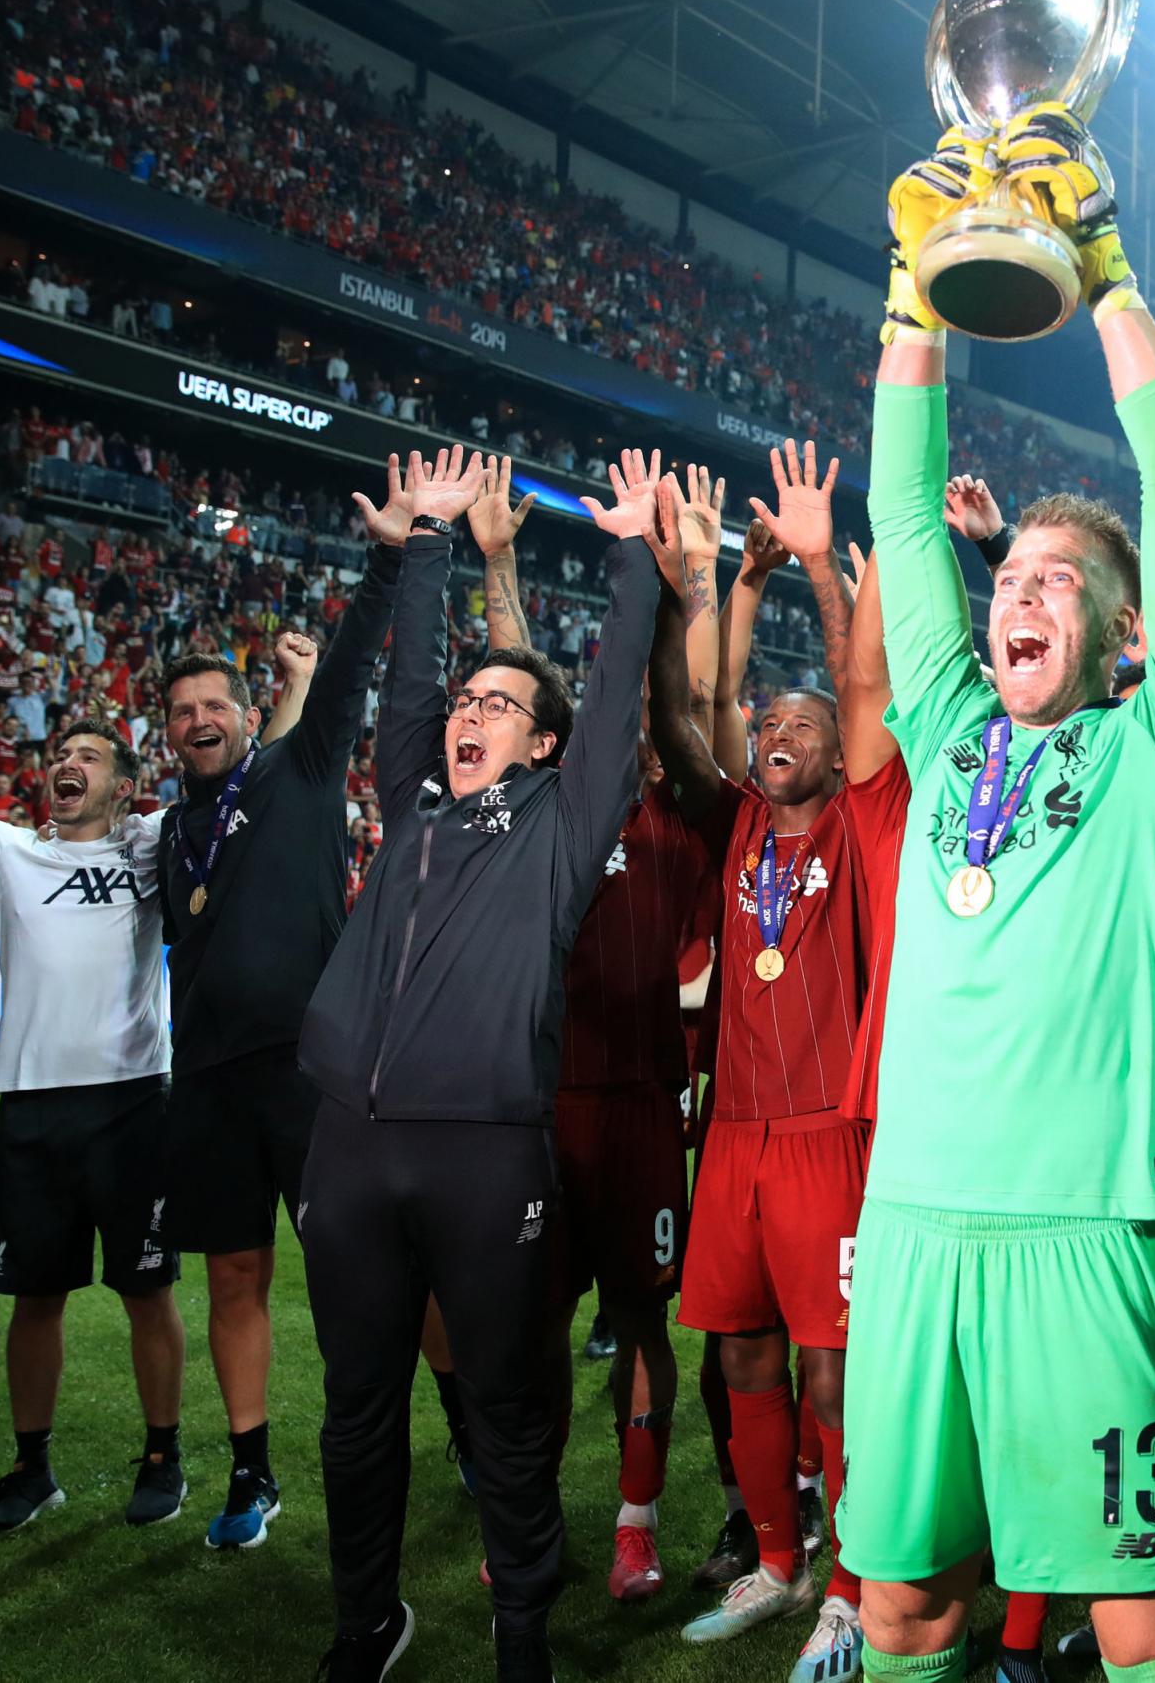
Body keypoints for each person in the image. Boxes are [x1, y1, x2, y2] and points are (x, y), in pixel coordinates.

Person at [840, 109, 1155, 1683]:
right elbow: (898, 509)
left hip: (1088, 1235)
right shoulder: (944, 737)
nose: (1020, 588)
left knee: (1143, 1620)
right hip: (918, 1228)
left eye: (1061, 581)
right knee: (905, 1610)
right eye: (1014, 574)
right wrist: (907, 294)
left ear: (1126, 637)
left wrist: (1109, 269)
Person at [293, 446, 667, 1683]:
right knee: (357, 1412)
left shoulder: (562, 830)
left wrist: (630, 554)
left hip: (485, 1154)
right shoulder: (415, 808)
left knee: (505, 1414)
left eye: (498, 703)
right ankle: (366, 1623)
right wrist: (426, 546)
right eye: (470, 698)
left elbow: (615, 700)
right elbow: (405, 690)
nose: (466, 711)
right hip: (349, 1145)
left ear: (548, 746)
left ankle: (522, 1639)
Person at [654, 439, 910, 1683]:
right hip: (737, 1137)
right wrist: (722, 593)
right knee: (742, 1351)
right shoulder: (734, 821)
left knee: (835, 1368)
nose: (777, 733)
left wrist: (816, 574)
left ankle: (861, 1584)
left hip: (831, 1131)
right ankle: (778, 1552)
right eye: (768, 722)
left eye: (799, 723)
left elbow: (864, 705)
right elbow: (692, 713)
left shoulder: (864, 823)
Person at [0, 614, 187, 1535]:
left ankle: (163, 1454)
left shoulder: (151, 845)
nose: (71, 763)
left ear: (127, 787)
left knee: (148, 1290)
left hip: (134, 1102)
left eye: (92, 756)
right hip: (32, 1108)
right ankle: (32, 1466)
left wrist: (289, 691)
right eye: (63, 752)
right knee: (33, 1299)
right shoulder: (9, 852)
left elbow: (260, 784)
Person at [474, 459, 714, 1608]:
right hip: (540, 1105)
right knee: (529, 1332)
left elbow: (684, 690)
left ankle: (633, 1523)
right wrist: (499, 560)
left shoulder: (681, 812)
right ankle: (523, 1520)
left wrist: (688, 587)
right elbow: (517, 677)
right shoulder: (545, 804)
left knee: (641, 1320)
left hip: (642, 1109)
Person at [156, 491, 407, 1555]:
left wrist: (386, 560)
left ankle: (467, 1429)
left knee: (372, 1263)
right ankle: (251, 1470)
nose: (200, 719)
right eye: (180, 711)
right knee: (233, 1275)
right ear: (165, 730)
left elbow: (348, 665)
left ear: (247, 712)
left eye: (215, 704)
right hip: (208, 1083)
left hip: (313, 1065)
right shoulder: (166, 829)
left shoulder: (296, 770)